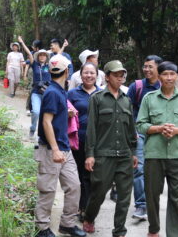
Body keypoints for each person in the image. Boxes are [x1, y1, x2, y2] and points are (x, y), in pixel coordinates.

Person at [136, 61, 178, 237]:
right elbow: (140, 125)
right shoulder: (149, 98)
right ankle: (153, 229)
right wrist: (159, 128)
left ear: (176, 77)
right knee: (152, 195)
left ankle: (175, 234)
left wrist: (177, 131)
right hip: (155, 154)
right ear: (159, 76)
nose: (169, 77)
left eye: (172, 74)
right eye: (165, 74)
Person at [82, 60, 137, 237]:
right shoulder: (97, 99)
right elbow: (91, 128)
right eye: (116, 75)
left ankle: (119, 231)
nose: (120, 78)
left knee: (124, 197)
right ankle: (89, 217)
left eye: (122, 75)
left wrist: (133, 152)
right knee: (98, 193)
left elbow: (131, 129)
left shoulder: (127, 100)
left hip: (124, 155)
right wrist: (90, 154)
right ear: (106, 77)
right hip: (103, 155)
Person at [34, 54, 86, 237]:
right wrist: (55, 149)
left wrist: (67, 114)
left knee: (74, 186)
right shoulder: (52, 92)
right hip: (51, 150)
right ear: (67, 71)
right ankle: (42, 228)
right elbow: (46, 122)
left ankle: (67, 224)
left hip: (65, 149)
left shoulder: (59, 91)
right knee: (48, 190)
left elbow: (54, 117)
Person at [125, 54, 163, 220]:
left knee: (156, 171)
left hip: (159, 134)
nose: (146, 69)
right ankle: (141, 205)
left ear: (158, 69)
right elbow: (127, 110)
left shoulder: (165, 86)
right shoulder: (137, 86)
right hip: (139, 133)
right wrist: (132, 130)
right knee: (138, 168)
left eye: (150, 67)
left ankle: (152, 202)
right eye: (145, 66)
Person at [66, 62, 102, 222]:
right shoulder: (73, 93)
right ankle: (82, 208)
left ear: (97, 75)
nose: (89, 75)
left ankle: (88, 207)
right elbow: (62, 113)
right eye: (86, 73)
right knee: (80, 175)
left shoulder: (103, 94)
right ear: (80, 76)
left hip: (98, 142)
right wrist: (67, 114)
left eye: (92, 73)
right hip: (78, 140)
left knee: (94, 176)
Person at [19, 36, 51, 140]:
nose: (42, 56)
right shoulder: (35, 64)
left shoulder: (49, 66)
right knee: (36, 112)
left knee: (45, 115)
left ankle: (42, 135)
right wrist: (22, 42)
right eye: (40, 55)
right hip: (36, 92)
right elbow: (29, 53)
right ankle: (32, 129)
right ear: (37, 56)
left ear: (46, 57)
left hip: (47, 93)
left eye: (44, 55)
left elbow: (59, 56)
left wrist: (63, 46)